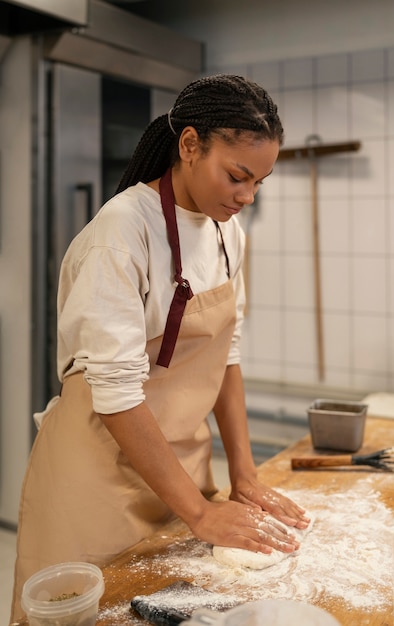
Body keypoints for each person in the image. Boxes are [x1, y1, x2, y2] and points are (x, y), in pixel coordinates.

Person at [10, 74, 309, 622]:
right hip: (97, 482)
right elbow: (118, 393)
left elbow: (227, 354)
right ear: (190, 145)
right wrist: (198, 512)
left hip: (178, 474)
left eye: (259, 183)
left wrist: (243, 474)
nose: (246, 197)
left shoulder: (228, 232)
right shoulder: (121, 233)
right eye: (237, 176)